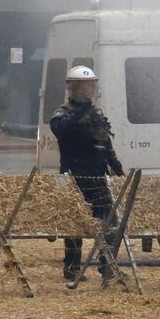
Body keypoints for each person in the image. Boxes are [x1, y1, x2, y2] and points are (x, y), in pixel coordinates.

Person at [49, 65, 124, 283]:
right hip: (74, 176)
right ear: (72, 88)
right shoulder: (62, 113)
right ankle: (72, 267)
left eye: (90, 86)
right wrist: (81, 111)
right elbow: (61, 130)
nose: (87, 91)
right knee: (76, 223)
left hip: (97, 176)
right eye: (83, 87)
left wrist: (114, 162)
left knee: (108, 223)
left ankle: (107, 266)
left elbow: (104, 140)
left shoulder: (95, 113)